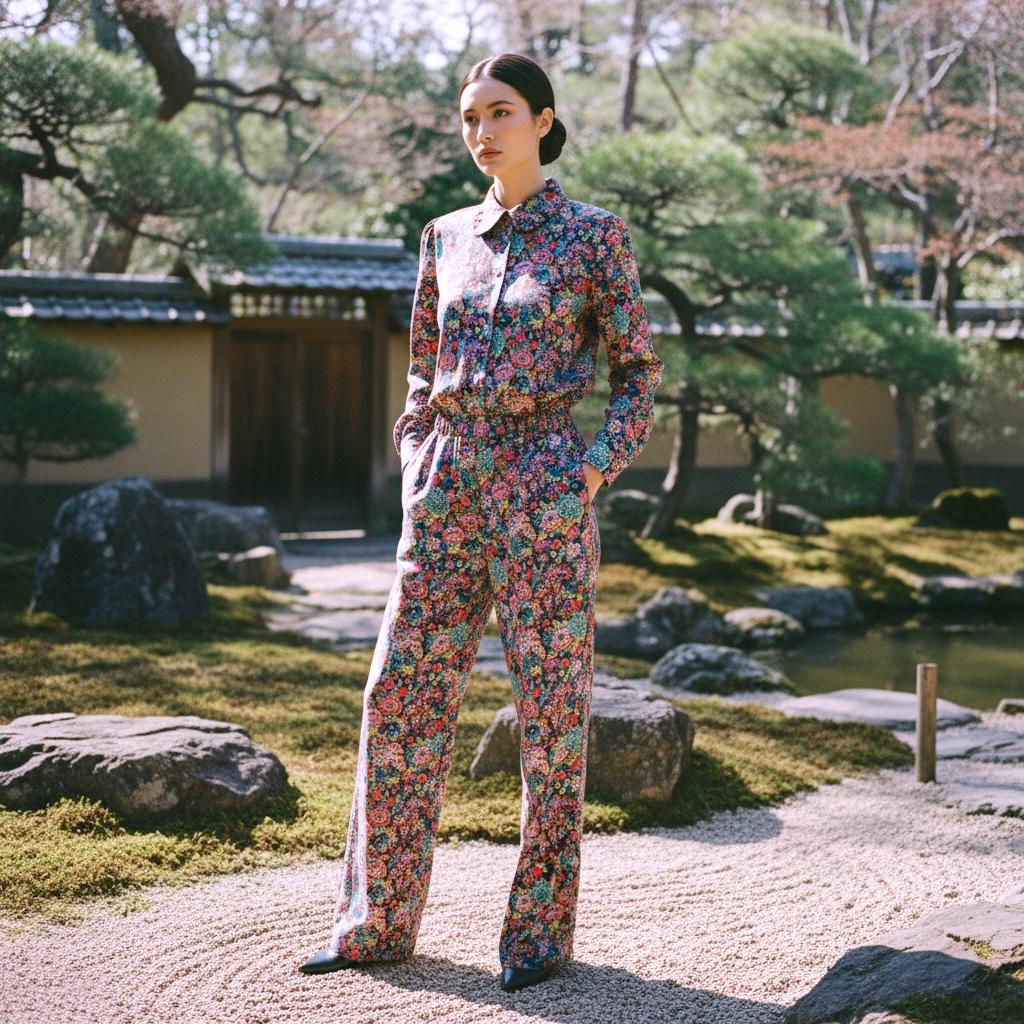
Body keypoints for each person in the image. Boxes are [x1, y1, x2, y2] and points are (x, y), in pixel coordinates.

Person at [299, 51, 663, 993]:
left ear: (543, 121)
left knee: (551, 715)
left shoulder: (594, 237)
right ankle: (375, 922)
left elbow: (638, 375)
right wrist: (418, 452)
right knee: (398, 699)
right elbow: (423, 366)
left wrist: (586, 472)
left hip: (545, 480)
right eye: (468, 117)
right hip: (447, 486)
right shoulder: (443, 237)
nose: (481, 131)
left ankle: (538, 933)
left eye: (499, 112)